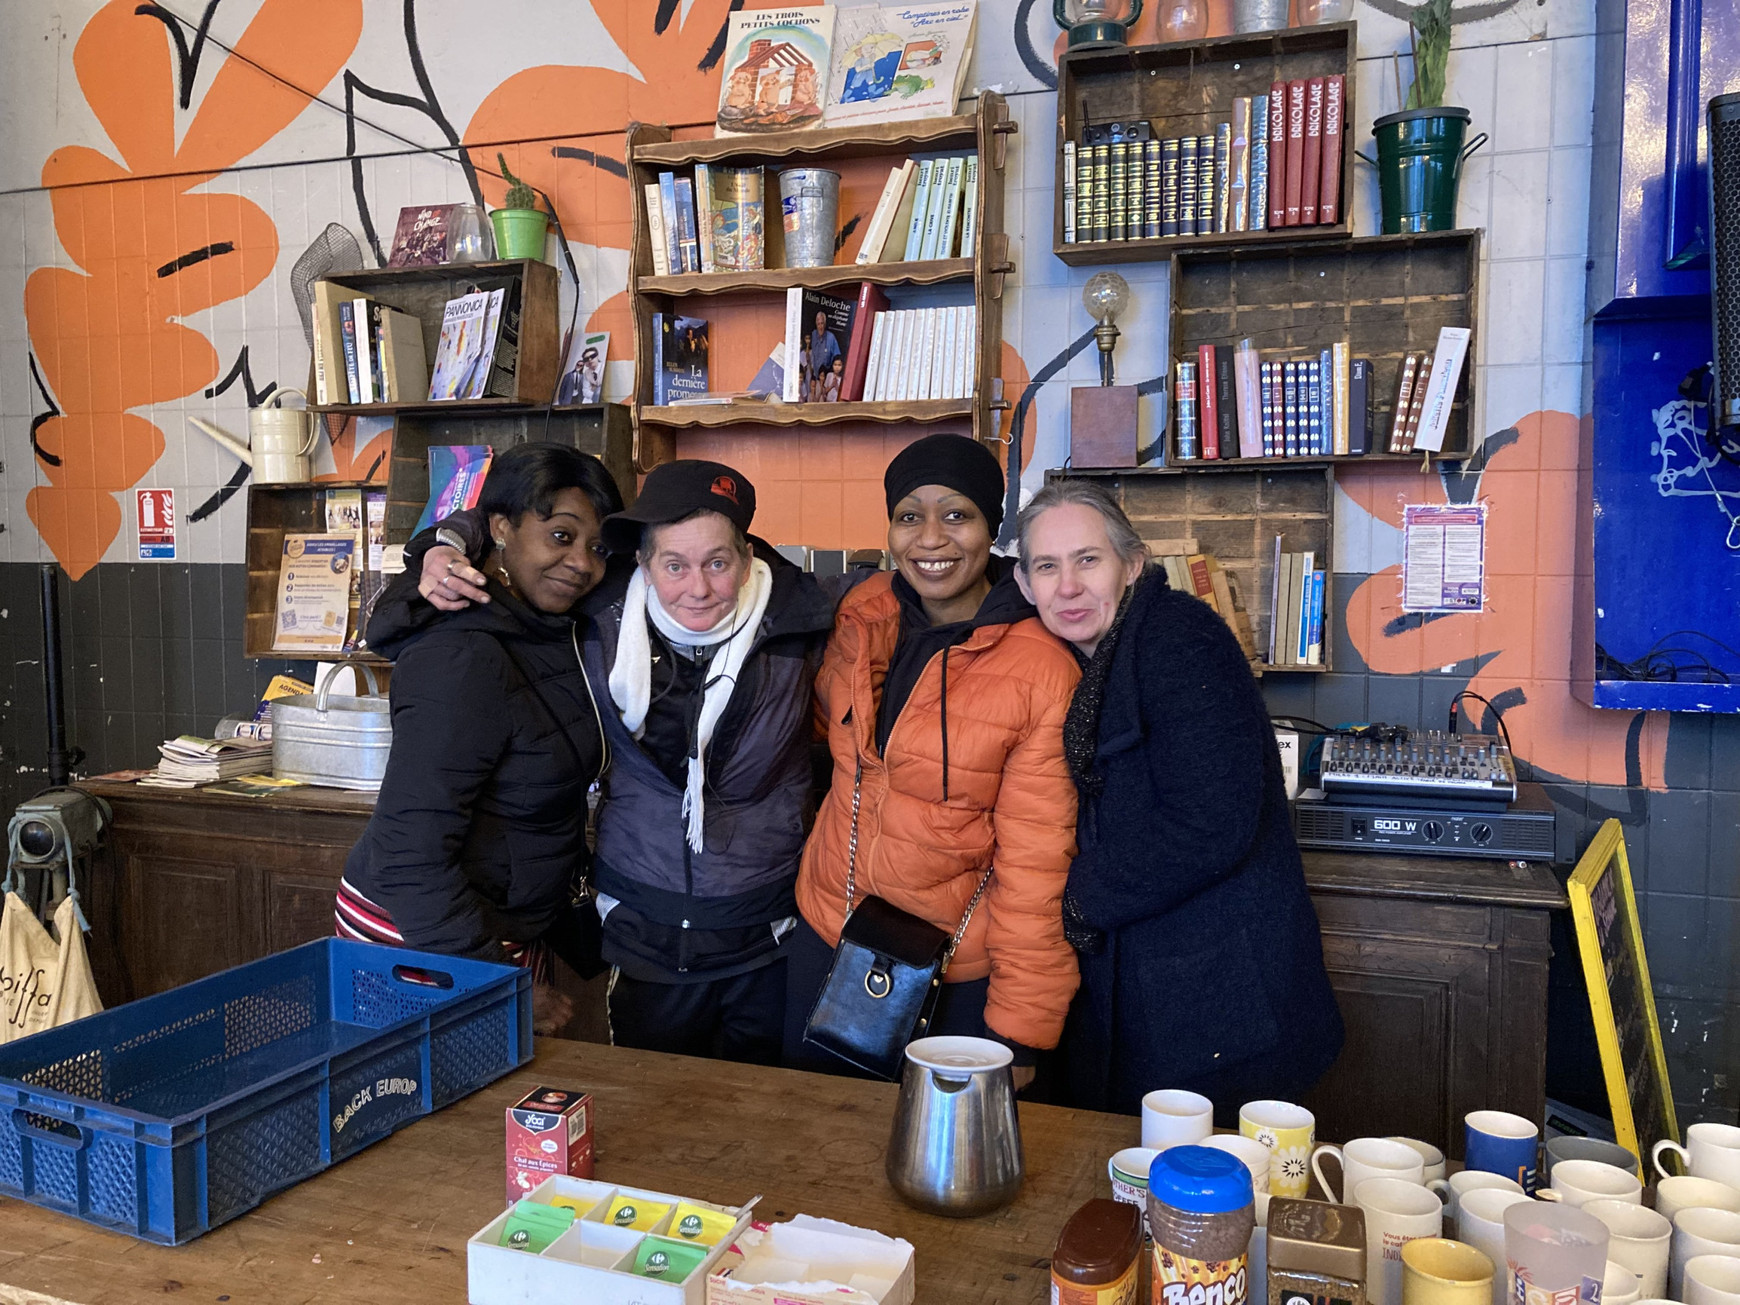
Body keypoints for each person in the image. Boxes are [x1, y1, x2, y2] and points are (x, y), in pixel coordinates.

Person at [413, 461, 845, 1066]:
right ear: (642, 562)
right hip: (642, 925)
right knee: (653, 1118)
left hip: (765, 930)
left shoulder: (804, 615)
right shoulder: (595, 609)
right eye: (674, 565)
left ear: (748, 558)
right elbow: (520, 522)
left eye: (718, 563)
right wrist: (443, 546)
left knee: (764, 1122)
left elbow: (924, 591)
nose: (697, 588)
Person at [1012, 478, 1344, 1119]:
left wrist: (1076, 897)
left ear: (1132, 564)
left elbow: (1211, 823)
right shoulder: (1091, 650)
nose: (1068, 587)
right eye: (1047, 567)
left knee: (1206, 1193)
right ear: (1025, 586)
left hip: (1219, 994)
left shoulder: (1180, 639)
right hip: (1167, 983)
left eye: (1088, 560)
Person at [785, 434, 1082, 1088]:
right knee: (806, 1140)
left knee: (936, 1167)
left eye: (957, 514)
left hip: (954, 967)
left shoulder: (1042, 669)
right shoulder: (865, 613)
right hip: (828, 932)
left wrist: (1020, 1027)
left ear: (992, 527)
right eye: (909, 515)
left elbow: (1038, 864)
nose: (931, 537)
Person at [336, 443, 623, 1033]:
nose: (581, 564)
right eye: (561, 536)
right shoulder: (462, 654)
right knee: (429, 1116)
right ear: (500, 529)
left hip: (493, 928)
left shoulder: (546, 629)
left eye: (597, 547)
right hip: (420, 944)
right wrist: (504, 987)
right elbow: (408, 857)